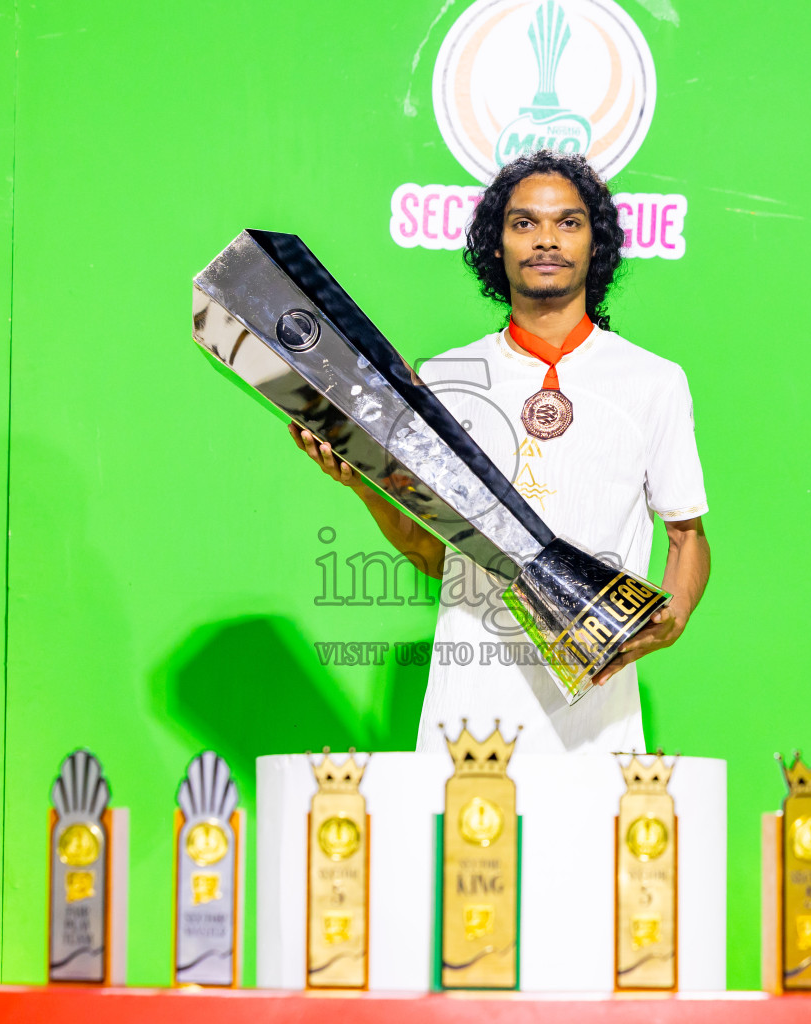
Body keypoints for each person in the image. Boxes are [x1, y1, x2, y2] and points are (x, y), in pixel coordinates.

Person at [288, 151, 710, 753]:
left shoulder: (653, 381)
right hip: (469, 711)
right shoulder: (443, 377)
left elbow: (687, 537)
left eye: (568, 223)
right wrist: (363, 482)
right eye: (523, 223)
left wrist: (675, 617)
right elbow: (436, 556)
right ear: (496, 246)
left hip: (597, 719)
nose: (546, 240)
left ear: (598, 244)